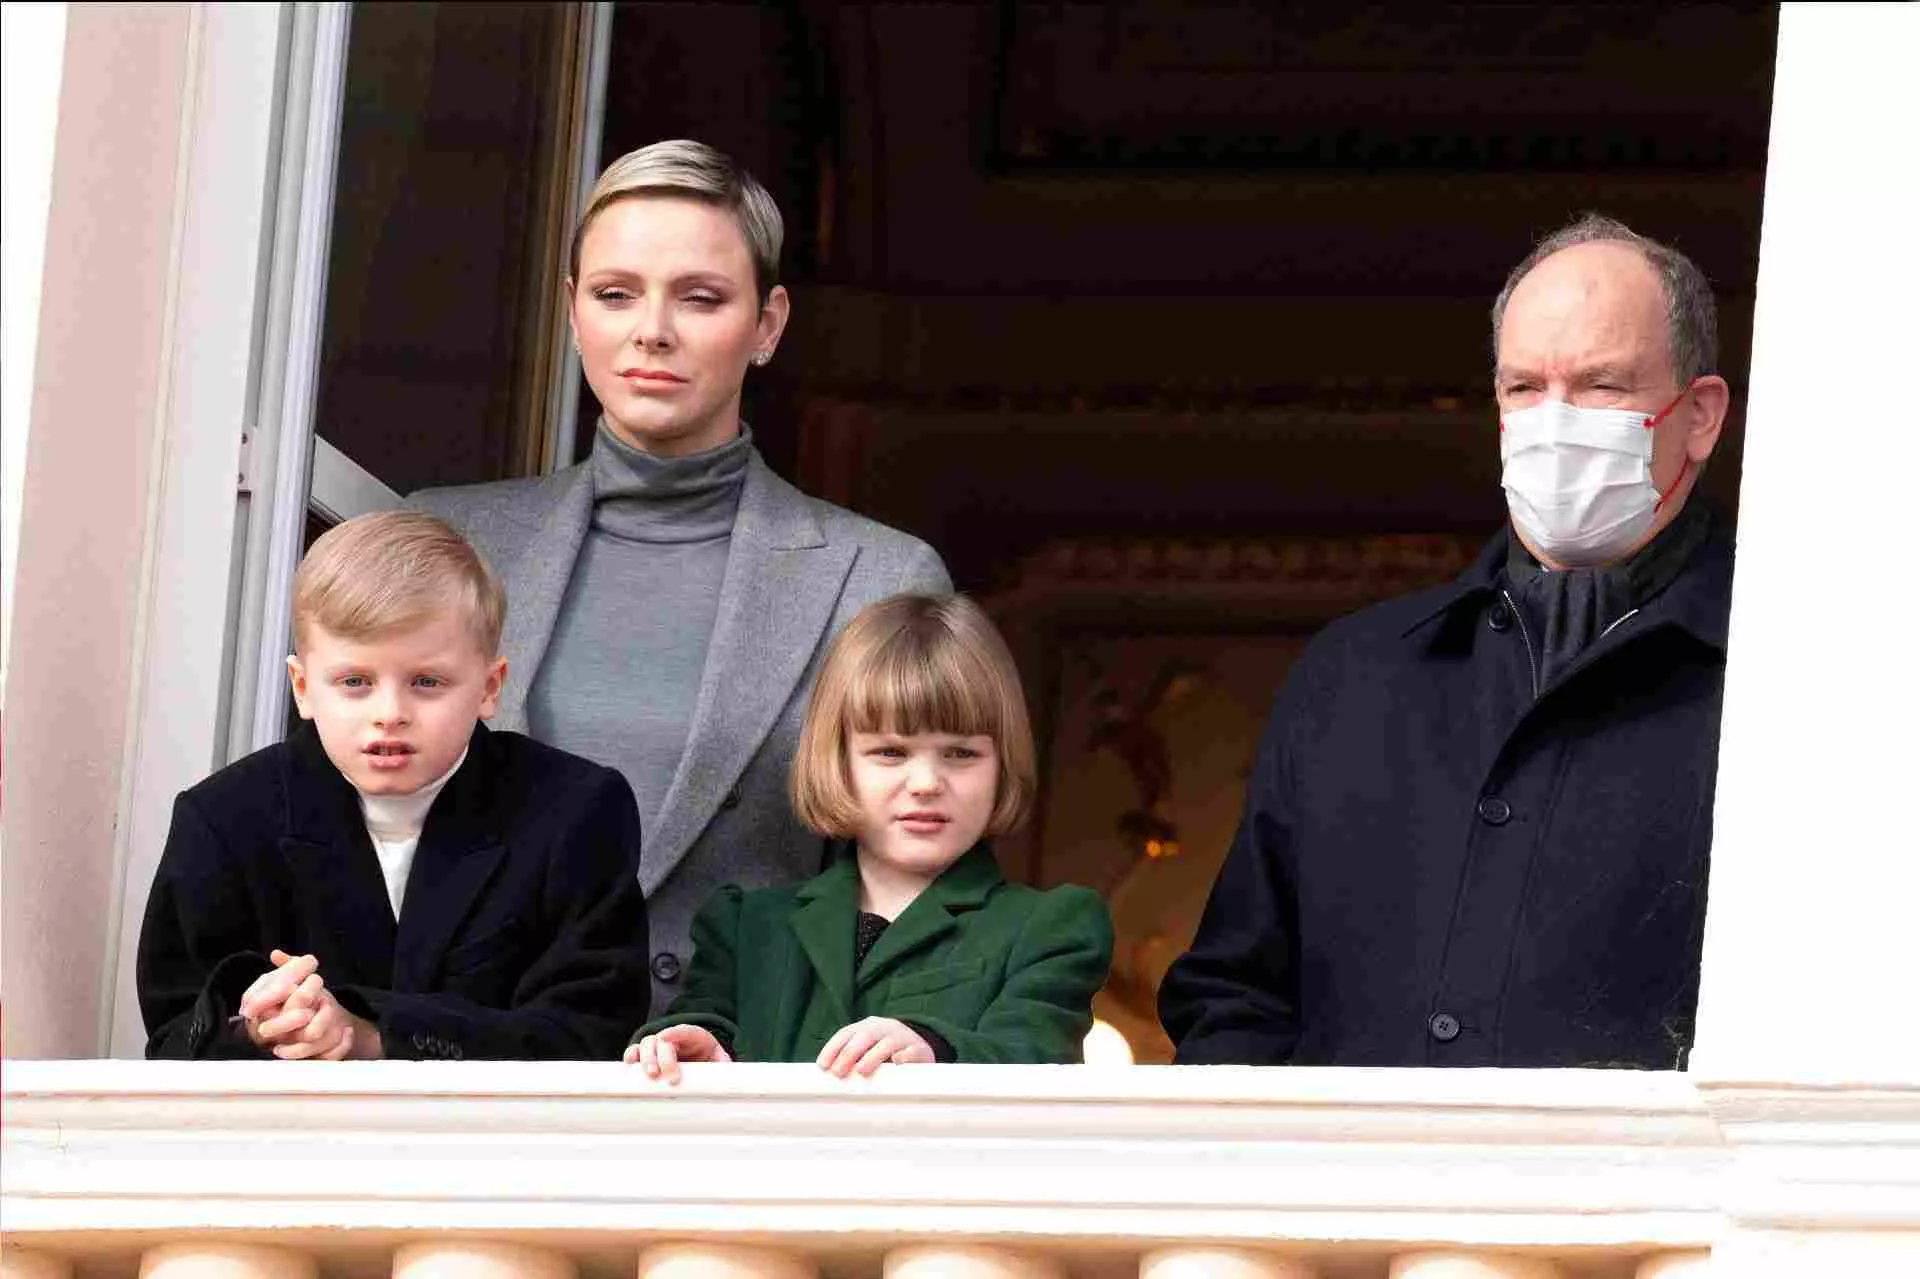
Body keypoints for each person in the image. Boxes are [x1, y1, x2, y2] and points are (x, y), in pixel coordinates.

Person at [1158, 213, 1735, 1068]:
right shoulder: (1354, 677)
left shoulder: (1787, 684)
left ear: (1699, 416)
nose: (1555, 420)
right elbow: (1236, 995)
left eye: (1602, 385)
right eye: (1523, 388)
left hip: (1636, 1202)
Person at [410, 140, 950, 1015]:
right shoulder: (444, 537)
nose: (651, 329)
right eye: (615, 294)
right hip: (463, 1077)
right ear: (573, 311)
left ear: (769, 324)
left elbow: (918, 888)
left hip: (730, 1088)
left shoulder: (881, 580)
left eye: (700, 298)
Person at [137, 511, 651, 1061]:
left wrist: (372, 1035)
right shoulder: (223, 820)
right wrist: (258, 1030)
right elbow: (173, 1037)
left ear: (489, 687)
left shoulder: (575, 810)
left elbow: (592, 1032)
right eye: (354, 682)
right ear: (303, 688)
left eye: (426, 682)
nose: (390, 713)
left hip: (499, 1143)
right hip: (291, 1145)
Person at [625, 594, 1112, 1082]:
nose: (925, 783)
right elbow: (709, 1022)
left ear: (1003, 763)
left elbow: (1036, 1058)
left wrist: (935, 1050)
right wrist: (693, 1049)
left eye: (961, 753)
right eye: (890, 752)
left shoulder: (1054, 927)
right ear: (838, 762)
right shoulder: (744, 924)